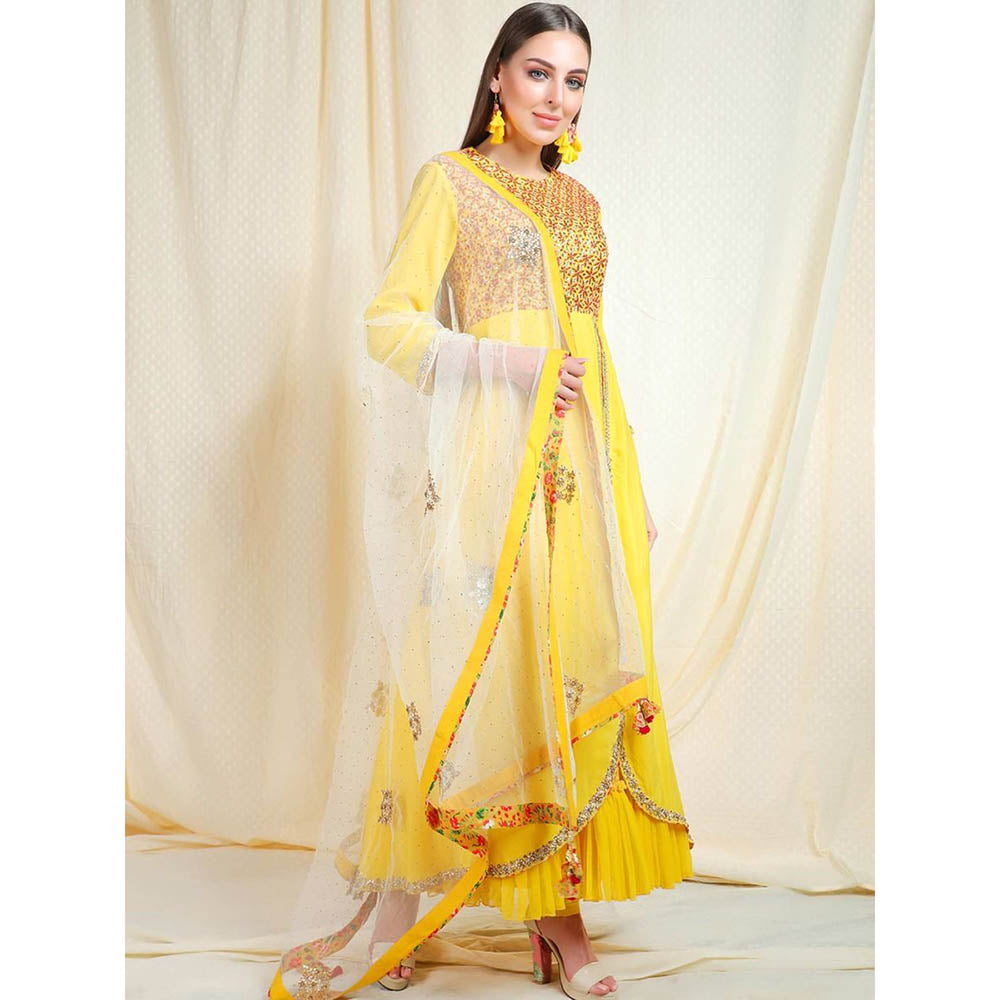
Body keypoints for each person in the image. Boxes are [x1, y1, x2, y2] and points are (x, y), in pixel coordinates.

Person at [268, 5, 692, 998]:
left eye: (575, 80)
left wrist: (627, 480)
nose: (558, 96)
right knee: (451, 678)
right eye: (539, 72)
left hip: (583, 476)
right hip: (491, 474)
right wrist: (507, 363)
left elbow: (593, 351)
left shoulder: (581, 203)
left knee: (571, 668)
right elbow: (388, 326)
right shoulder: (451, 183)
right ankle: (401, 904)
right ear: (498, 75)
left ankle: (556, 916)